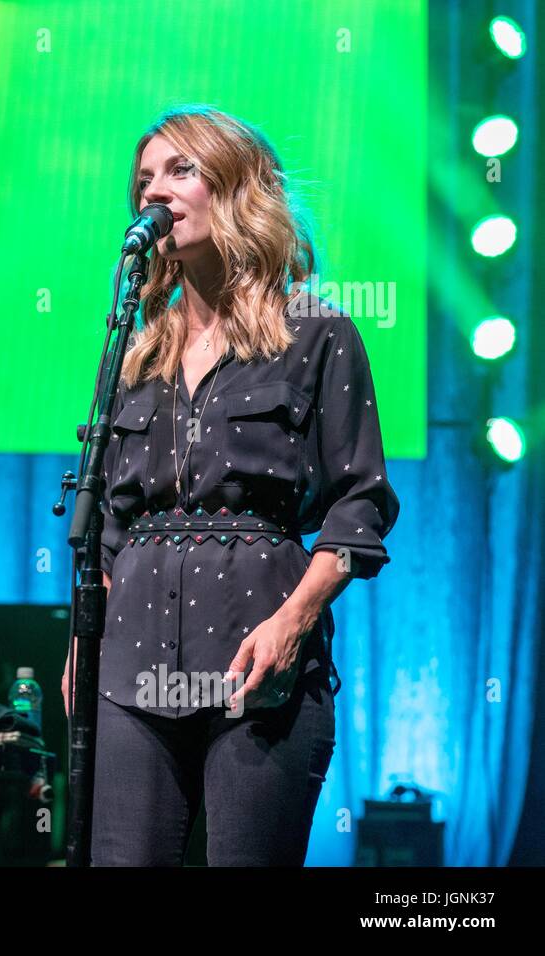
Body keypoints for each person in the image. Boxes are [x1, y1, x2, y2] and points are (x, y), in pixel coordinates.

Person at [63, 105, 399, 866]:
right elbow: (106, 525)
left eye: (180, 170)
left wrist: (293, 623)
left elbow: (360, 503)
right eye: (144, 179)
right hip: (130, 671)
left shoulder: (316, 333)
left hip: (259, 663)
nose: (155, 191)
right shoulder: (134, 354)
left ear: (238, 187)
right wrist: (84, 645)